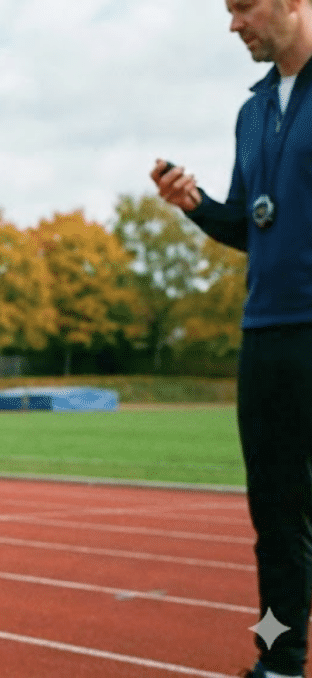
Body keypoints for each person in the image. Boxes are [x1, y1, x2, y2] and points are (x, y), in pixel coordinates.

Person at [153, 2, 312, 676]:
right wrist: (196, 206)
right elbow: (253, 226)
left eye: (244, 5)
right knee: (273, 517)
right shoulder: (251, 112)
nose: (233, 23)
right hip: (266, 334)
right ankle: (279, 659)